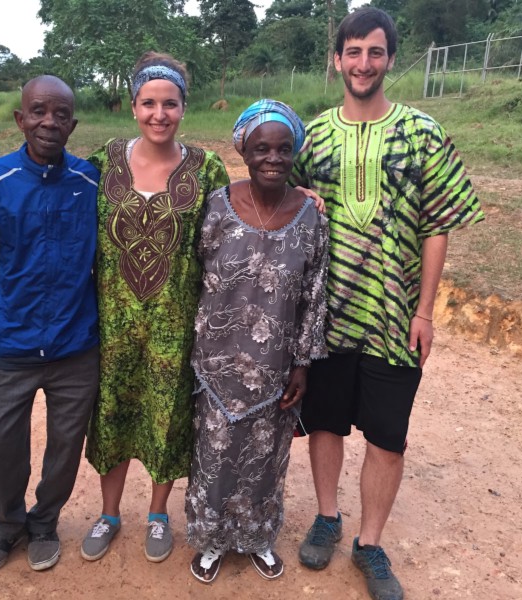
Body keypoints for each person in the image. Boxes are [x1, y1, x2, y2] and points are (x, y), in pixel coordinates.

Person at [290, 8, 484, 600]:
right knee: (324, 422)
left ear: (391, 59)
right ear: (337, 59)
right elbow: (286, 203)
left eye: (375, 52)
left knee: (387, 435)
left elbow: (438, 226)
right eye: (353, 52)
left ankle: (370, 544)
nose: (363, 63)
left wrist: (425, 312)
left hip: (395, 315)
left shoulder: (423, 131)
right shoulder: (313, 135)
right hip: (328, 311)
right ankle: (327, 516)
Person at [0, 75, 100, 577]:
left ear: (73, 124)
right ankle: (6, 525)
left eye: (60, 115)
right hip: (11, 341)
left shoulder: (92, 183)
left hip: (76, 343)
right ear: (20, 119)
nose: (48, 122)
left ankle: (45, 522)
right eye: (38, 112)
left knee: (65, 446)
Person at [80, 52, 231, 564]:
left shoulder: (206, 167)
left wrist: (299, 196)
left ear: (184, 108)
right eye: (149, 103)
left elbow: (238, 219)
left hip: (175, 323)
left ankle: (159, 513)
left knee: (167, 417)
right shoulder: (105, 160)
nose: (159, 114)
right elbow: (53, 185)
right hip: (112, 323)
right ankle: (108, 513)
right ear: (133, 106)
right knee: (111, 412)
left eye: (169, 104)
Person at [185, 100, 329, 584]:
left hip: (276, 365)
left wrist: (303, 363)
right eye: (262, 147)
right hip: (216, 362)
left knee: (267, 457)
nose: (273, 157)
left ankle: (257, 536)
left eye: (284, 149)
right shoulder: (216, 207)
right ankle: (210, 540)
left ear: (295, 154)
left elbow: (313, 295)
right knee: (214, 454)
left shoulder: (310, 215)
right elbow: (195, 274)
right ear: (243, 149)